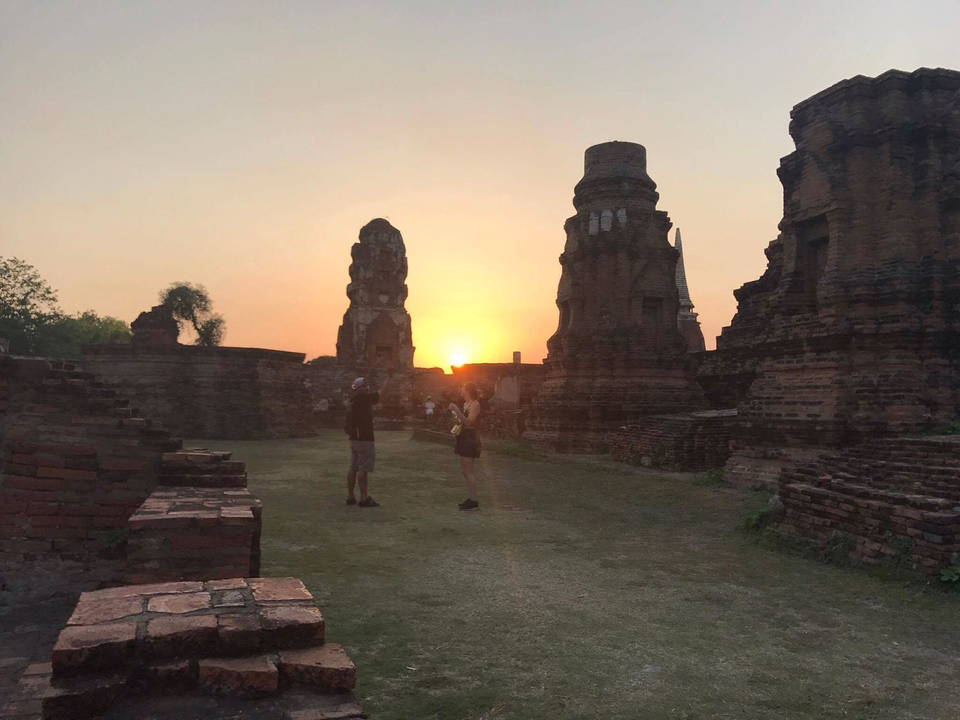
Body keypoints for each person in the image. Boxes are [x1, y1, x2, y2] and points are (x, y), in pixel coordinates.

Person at [344, 377, 381, 508]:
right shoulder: (363, 400)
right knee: (363, 469)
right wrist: (391, 379)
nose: (367, 388)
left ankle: (350, 496)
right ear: (359, 388)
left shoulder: (352, 401)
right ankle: (364, 498)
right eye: (364, 386)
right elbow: (382, 393)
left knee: (353, 467)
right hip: (364, 438)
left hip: (354, 437)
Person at [449, 381, 482, 511]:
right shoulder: (466, 404)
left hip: (470, 438)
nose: (461, 390)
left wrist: (456, 409)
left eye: (463, 388)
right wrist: (456, 416)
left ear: (468, 391)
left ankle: (474, 500)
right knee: (465, 471)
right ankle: (471, 497)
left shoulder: (475, 405)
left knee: (468, 471)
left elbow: (469, 422)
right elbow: (462, 421)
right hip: (463, 437)